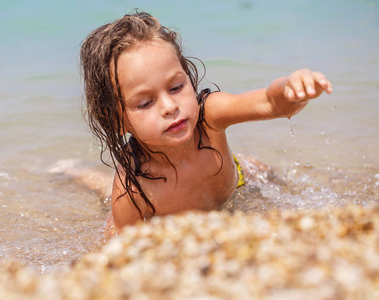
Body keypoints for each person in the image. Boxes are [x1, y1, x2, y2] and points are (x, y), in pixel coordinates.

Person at [80, 10, 332, 233]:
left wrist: (291, 88)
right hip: (157, 209)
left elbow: (270, 102)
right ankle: (75, 172)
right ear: (116, 122)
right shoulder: (132, 188)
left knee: (264, 173)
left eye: (177, 87)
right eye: (145, 103)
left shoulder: (209, 116)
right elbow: (124, 248)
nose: (170, 107)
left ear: (189, 78)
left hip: (241, 179)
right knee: (105, 199)